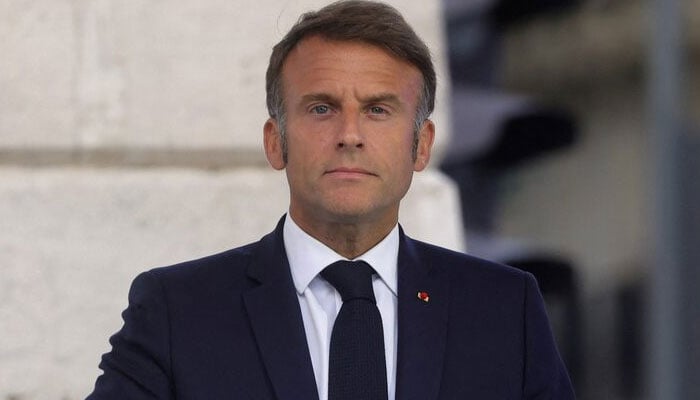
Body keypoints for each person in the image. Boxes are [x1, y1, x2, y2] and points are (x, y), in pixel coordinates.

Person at [86, 1, 575, 399]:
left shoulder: (503, 309)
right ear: (275, 141)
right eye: (321, 108)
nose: (349, 135)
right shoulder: (179, 311)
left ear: (421, 145)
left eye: (378, 110)